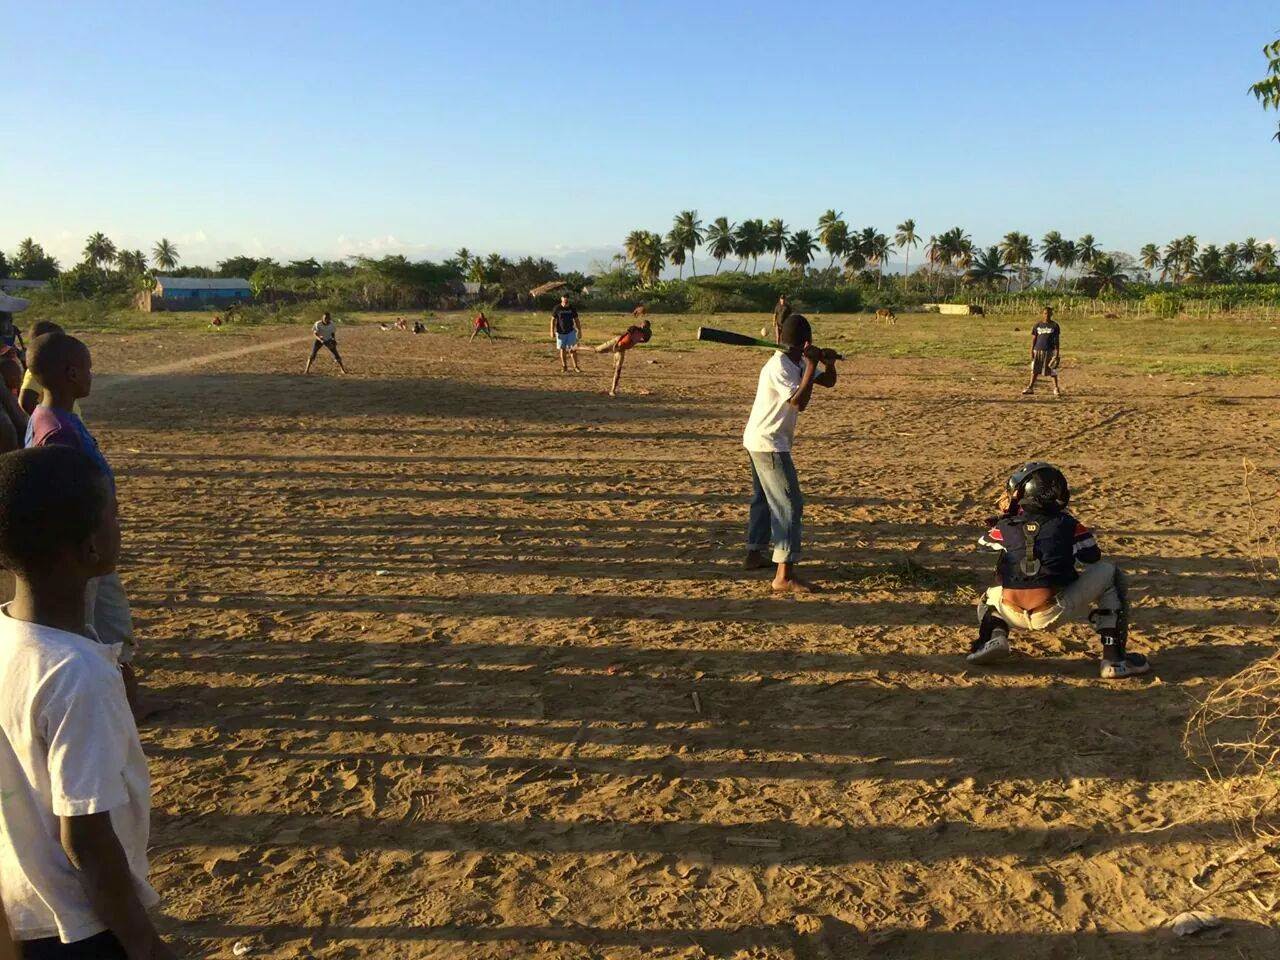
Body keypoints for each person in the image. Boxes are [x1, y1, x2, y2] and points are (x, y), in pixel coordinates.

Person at [0, 446, 176, 959]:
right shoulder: (75, 674)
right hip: (87, 925)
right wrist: (145, 945)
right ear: (91, 547)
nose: (120, 525)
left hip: (28, 906)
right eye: (113, 514)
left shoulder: (10, 637)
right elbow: (87, 836)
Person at [24, 333, 150, 721]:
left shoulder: (57, 419)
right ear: (71, 373)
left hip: (90, 548)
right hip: (81, 550)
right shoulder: (58, 433)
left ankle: (128, 704)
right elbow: (63, 502)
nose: (92, 375)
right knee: (94, 630)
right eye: (89, 368)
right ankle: (118, 709)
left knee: (112, 627)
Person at [967, 461, 1151, 679]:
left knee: (989, 594)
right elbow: (1092, 556)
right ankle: (1114, 659)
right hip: (1051, 611)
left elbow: (984, 542)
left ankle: (995, 634)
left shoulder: (1004, 526)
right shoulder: (1069, 524)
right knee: (1110, 573)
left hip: (1011, 611)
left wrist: (1010, 521)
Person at [742, 313, 837, 593]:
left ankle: (753, 554)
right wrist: (810, 364)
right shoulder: (780, 365)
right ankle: (783, 575)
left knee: (763, 498)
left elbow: (828, 382)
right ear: (806, 343)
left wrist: (827, 364)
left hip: (761, 438)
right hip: (768, 443)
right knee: (789, 503)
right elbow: (799, 402)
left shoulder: (794, 361)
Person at [593, 318, 651, 397]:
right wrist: (616, 343)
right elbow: (624, 335)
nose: (644, 327)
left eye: (646, 327)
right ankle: (577, 347)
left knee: (618, 369)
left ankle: (612, 390)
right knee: (597, 350)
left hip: (622, 348)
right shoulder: (634, 329)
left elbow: (645, 340)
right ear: (641, 324)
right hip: (618, 342)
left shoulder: (646, 333)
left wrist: (636, 341)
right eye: (643, 325)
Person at [1023, 306, 1062, 397]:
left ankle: (1056, 388)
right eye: (1045, 313)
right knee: (1035, 370)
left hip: (1049, 351)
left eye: (1049, 313)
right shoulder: (1038, 325)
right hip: (1038, 350)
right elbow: (1034, 339)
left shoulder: (1055, 326)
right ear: (1042, 314)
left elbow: (1057, 340)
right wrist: (1031, 350)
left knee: (1052, 370)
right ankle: (1030, 387)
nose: (1047, 315)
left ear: (1051, 314)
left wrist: (1057, 353)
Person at [550, 295, 581, 373]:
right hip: (560, 332)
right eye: (564, 297)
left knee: (573, 350)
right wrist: (551, 331)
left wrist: (579, 330)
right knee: (562, 349)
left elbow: (576, 320)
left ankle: (576, 367)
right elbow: (553, 320)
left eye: (566, 298)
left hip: (571, 331)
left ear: (568, 299)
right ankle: (564, 366)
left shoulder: (572, 308)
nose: (565, 299)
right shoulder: (557, 308)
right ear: (561, 298)